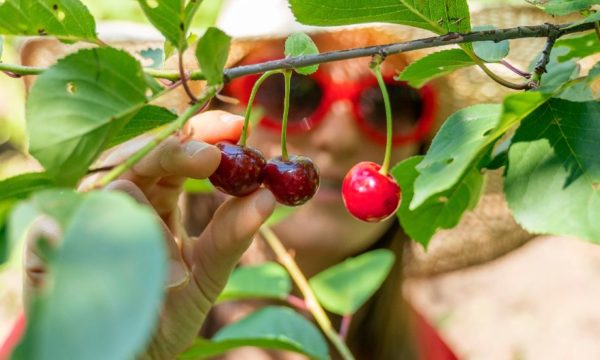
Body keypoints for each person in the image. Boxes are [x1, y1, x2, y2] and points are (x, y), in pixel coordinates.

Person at [14, 1, 550, 359]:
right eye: (291, 93)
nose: (338, 139)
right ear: (214, 107)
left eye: (390, 104)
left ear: (428, 148)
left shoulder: (429, 351)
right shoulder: (90, 321)